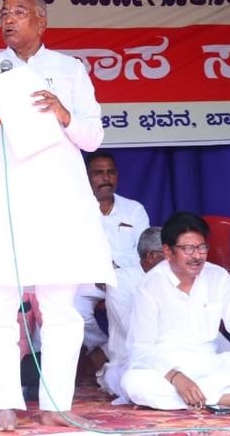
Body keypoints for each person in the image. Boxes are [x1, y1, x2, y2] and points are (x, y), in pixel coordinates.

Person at [0, 0, 114, 431]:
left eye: (19, 12)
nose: (9, 20)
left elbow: (94, 138)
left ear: (41, 21)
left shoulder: (69, 70)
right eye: (3, 13)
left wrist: (63, 114)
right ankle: (5, 405)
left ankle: (55, 404)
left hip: (56, 204)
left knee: (61, 311)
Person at [119, 214, 230, 411]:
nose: (197, 256)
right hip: (166, 369)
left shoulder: (218, 277)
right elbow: (141, 349)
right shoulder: (150, 285)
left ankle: (196, 399)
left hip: (210, 363)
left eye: (202, 247)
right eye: (188, 249)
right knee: (133, 383)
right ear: (167, 251)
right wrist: (177, 378)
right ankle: (228, 399)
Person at [76, 150, 151, 372]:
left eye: (110, 172)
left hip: (128, 277)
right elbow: (71, 250)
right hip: (89, 279)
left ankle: (115, 356)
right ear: (86, 177)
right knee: (74, 310)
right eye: (98, 173)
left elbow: (145, 250)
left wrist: (117, 271)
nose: (106, 178)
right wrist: (98, 270)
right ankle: (101, 348)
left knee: (136, 309)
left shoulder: (134, 209)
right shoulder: (75, 209)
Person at [97, 227, 163, 399]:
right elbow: (133, 332)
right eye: (169, 254)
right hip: (131, 362)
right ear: (152, 256)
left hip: (176, 355)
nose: (176, 260)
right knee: (141, 385)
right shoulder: (120, 280)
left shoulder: (174, 279)